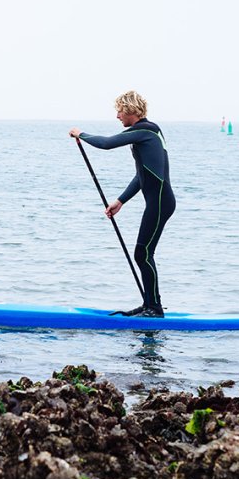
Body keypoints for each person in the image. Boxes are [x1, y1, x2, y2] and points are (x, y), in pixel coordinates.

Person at [70, 91, 176, 317]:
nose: (117, 115)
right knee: (143, 253)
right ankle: (149, 304)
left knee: (143, 254)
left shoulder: (145, 131)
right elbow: (143, 176)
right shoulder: (147, 133)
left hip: (160, 201)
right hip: (159, 201)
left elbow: (106, 144)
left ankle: (154, 308)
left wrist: (81, 134)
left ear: (130, 110)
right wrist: (120, 201)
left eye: (119, 110)